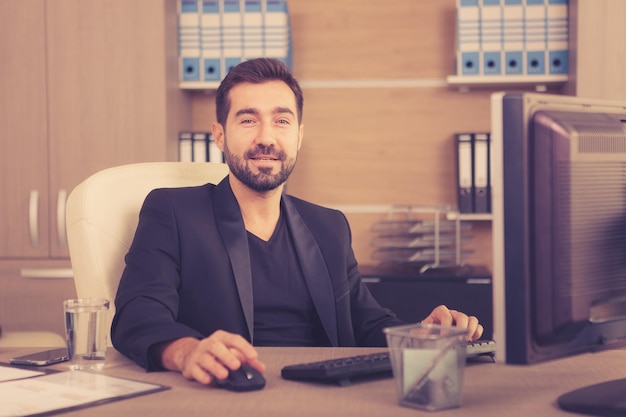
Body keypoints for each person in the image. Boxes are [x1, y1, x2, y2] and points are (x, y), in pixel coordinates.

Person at [111, 57, 483, 385]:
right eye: (248, 120)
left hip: (325, 397)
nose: (266, 138)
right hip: (226, 395)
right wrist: (187, 351)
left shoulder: (329, 227)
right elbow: (136, 315)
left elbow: (367, 324)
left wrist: (422, 334)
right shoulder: (173, 211)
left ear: (299, 136)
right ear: (220, 135)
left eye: (282, 120)